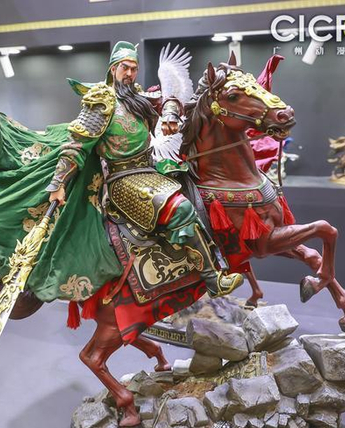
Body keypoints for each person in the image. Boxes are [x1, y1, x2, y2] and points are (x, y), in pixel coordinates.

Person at [46, 41, 242, 298]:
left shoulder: (136, 97)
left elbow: (168, 101)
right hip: (122, 179)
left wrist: (170, 115)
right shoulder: (101, 101)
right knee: (181, 208)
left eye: (134, 69)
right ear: (113, 69)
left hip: (149, 168)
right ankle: (212, 280)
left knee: (195, 187)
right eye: (125, 68)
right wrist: (58, 184)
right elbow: (76, 146)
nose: (129, 73)